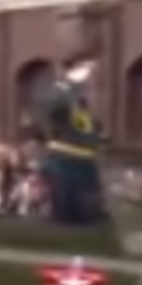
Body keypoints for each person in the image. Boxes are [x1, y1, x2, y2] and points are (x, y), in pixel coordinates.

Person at [42, 49, 107, 226]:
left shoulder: (78, 94)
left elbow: (83, 123)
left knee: (89, 209)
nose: (89, 73)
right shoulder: (60, 92)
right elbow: (52, 113)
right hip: (66, 157)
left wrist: (96, 135)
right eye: (86, 68)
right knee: (68, 208)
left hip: (84, 157)